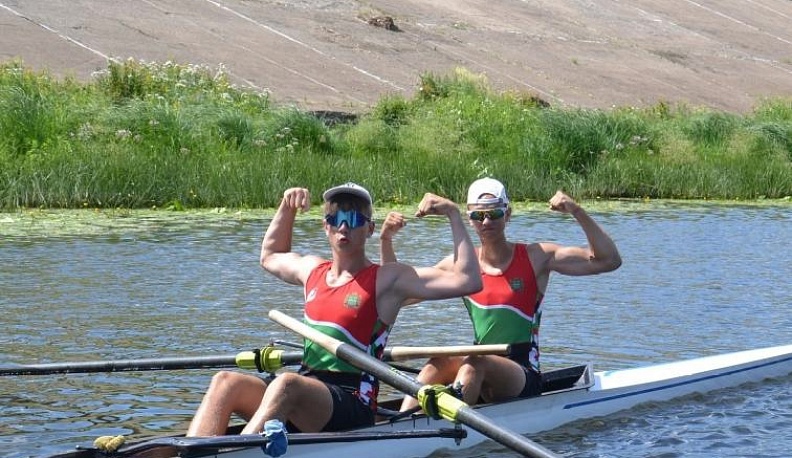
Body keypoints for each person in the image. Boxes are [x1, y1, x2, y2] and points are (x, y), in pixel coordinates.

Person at [186, 182, 482, 446]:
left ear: (369, 228)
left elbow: (468, 280)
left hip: (353, 401)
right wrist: (286, 207)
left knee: (286, 384)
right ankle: (190, 452)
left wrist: (454, 215)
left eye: (353, 219)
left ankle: (237, 453)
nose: (344, 227)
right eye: (336, 218)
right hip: (306, 394)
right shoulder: (312, 270)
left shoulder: (388, 280)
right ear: (325, 226)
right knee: (227, 381)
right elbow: (270, 256)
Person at [379, 177, 622, 410]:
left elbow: (609, 260)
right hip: (479, 361)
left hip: (522, 371)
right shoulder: (461, 267)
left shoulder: (536, 257)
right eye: (478, 215)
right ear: (470, 219)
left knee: (474, 365)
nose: (486, 222)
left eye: (494, 214)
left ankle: (447, 426)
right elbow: (396, 295)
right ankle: (404, 423)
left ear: (508, 215)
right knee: (437, 364)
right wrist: (386, 240)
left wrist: (576, 210)